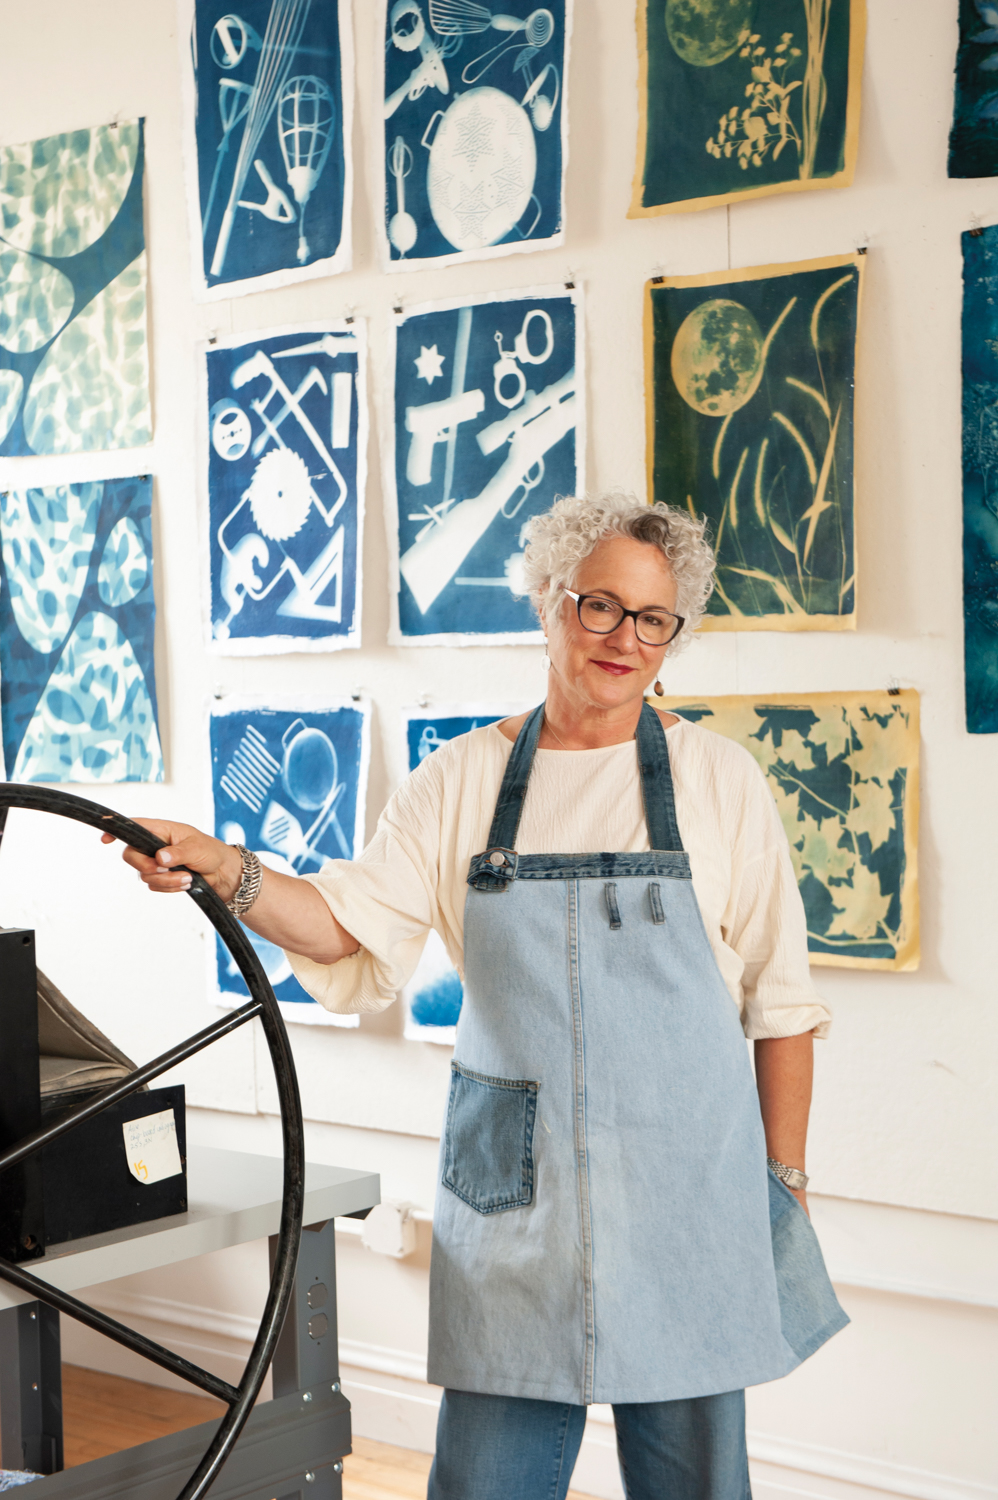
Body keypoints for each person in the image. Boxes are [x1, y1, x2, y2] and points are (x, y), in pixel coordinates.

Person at [108, 493, 846, 1500]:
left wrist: (784, 1186)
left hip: (691, 1202)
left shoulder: (719, 782)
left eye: (652, 618)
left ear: (673, 635)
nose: (623, 639)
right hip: (515, 1209)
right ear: (547, 601)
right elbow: (342, 924)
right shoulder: (460, 779)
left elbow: (781, 1006)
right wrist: (224, 868)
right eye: (598, 605)